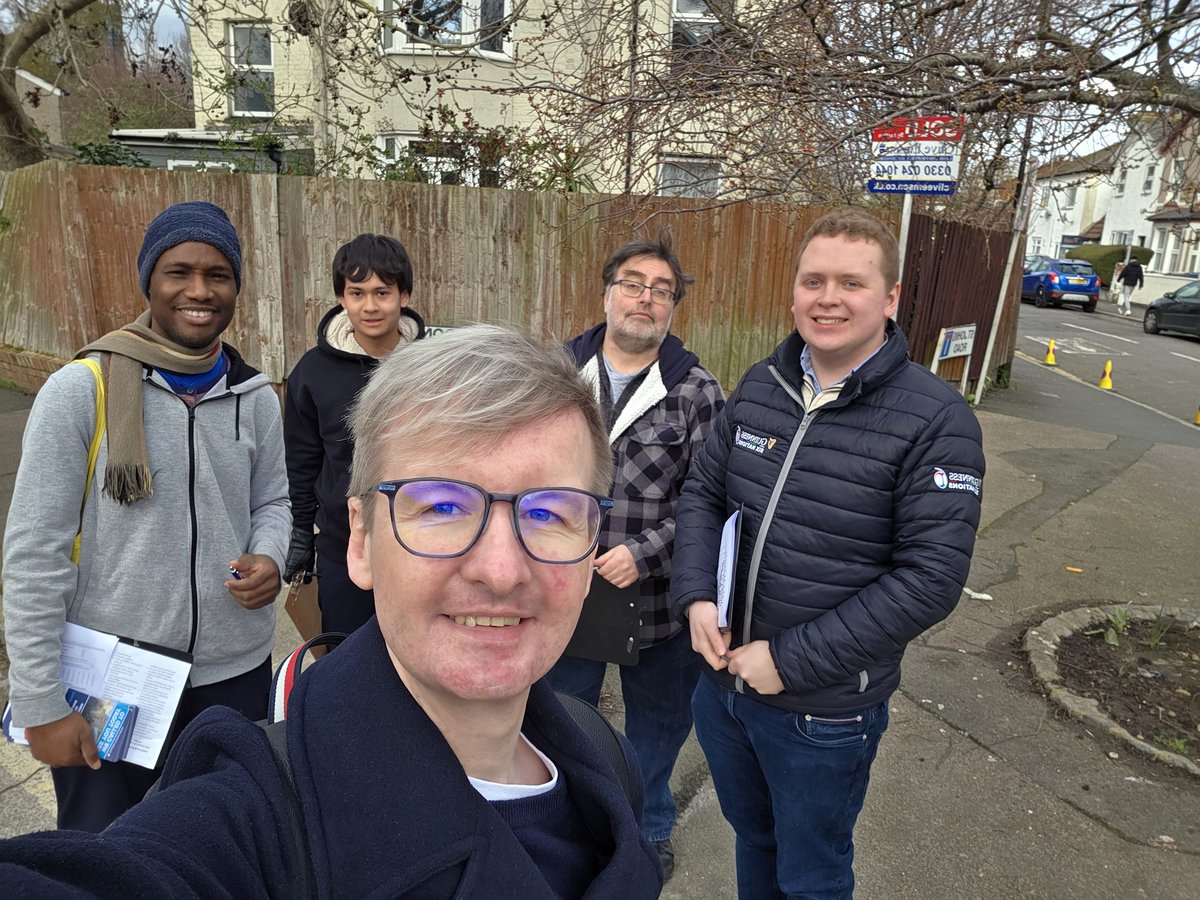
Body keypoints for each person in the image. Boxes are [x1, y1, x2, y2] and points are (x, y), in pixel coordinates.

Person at [0, 325, 663, 898]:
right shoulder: (255, 819)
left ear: (590, 548)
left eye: (548, 513)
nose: (499, 570)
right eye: (441, 506)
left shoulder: (603, 756)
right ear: (362, 540)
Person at [672, 208, 985, 899]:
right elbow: (702, 494)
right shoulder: (763, 384)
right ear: (794, 293)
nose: (828, 299)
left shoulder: (937, 419)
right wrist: (694, 595)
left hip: (822, 712)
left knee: (811, 874)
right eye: (813, 281)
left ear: (890, 298)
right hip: (723, 690)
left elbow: (930, 579)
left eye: (851, 283)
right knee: (754, 840)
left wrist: (789, 660)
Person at [1, 201, 291, 833]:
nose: (199, 291)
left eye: (217, 275)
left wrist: (270, 555)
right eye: (178, 272)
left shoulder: (255, 397)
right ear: (149, 282)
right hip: (113, 676)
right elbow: (33, 553)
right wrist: (40, 700)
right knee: (104, 847)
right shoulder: (82, 390)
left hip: (234, 674)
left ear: (236, 287)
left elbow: (273, 501)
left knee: (223, 841)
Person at [546, 229, 724, 881]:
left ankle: (646, 829)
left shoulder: (697, 391)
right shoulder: (554, 374)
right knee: (566, 717)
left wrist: (644, 553)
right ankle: (577, 821)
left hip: (661, 603)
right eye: (633, 284)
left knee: (657, 725)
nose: (646, 298)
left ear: (673, 307)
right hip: (567, 592)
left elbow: (713, 498)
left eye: (662, 290)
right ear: (607, 294)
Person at [282, 233, 425, 635]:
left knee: (416, 649)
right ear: (341, 298)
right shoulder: (312, 372)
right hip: (342, 544)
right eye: (357, 293)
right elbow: (302, 459)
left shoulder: (432, 367)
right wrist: (300, 531)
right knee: (345, 652)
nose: (370, 306)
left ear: (404, 296)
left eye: (382, 292)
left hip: (420, 541)